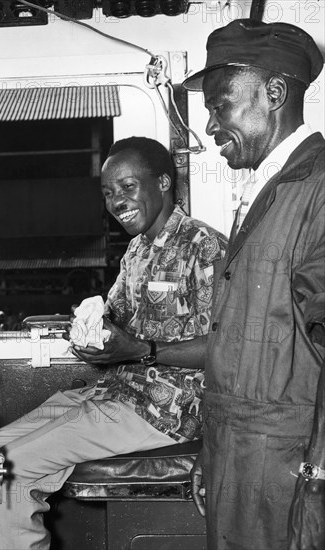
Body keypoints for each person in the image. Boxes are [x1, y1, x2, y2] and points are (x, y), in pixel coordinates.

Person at [0, 137, 228, 549]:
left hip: (166, 409)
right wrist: (87, 335)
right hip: (120, 392)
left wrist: (140, 350)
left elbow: (225, 348)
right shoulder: (136, 251)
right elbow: (113, 321)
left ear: (164, 183)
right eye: (109, 193)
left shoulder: (204, 247)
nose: (117, 201)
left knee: (8, 469)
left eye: (127, 187)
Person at [179, 19, 325, 550]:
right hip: (239, 449)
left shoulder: (319, 187)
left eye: (220, 106)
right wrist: (212, 449)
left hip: (286, 461)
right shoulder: (267, 187)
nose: (211, 125)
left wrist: (319, 475)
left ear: (276, 92)